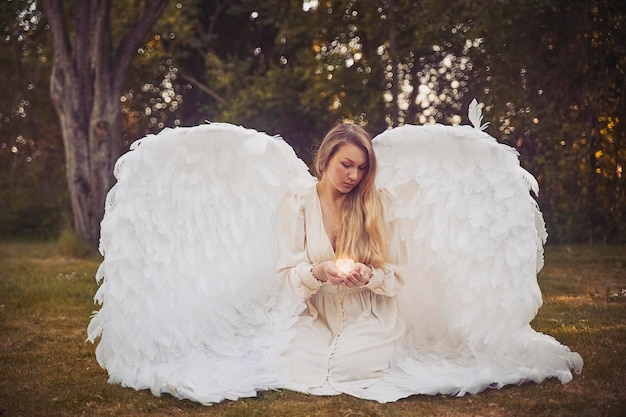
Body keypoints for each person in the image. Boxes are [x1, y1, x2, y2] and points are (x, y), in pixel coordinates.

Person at [276, 123, 406, 396]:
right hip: (314, 314)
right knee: (298, 364)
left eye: (361, 168)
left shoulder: (377, 203)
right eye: (346, 164)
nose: (353, 176)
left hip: (368, 314)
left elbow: (396, 277)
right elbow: (287, 272)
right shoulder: (298, 201)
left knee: (351, 369)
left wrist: (369, 276)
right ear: (325, 159)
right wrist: (320, 271)